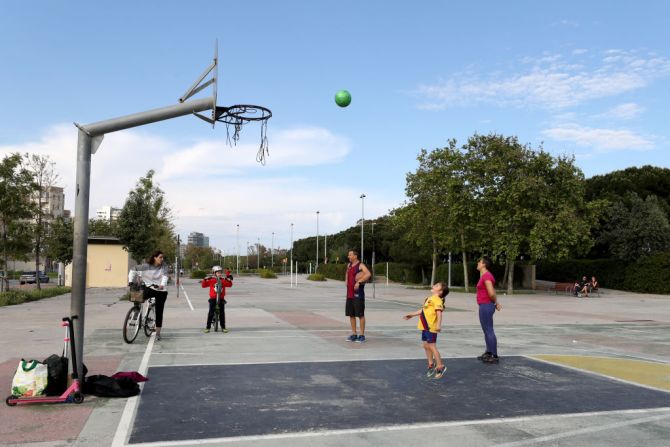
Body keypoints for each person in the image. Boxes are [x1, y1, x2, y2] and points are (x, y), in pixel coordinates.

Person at [403, 282, 449, 379]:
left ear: (440, 292)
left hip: (431, 327)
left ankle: (440, 366)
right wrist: (412, 315)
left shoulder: (437, 300)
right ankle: (431, 364)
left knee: (432, 346)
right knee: (425, 345)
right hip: (424, 327)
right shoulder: (429, 299)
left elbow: (439, 314)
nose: (433, 286)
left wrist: (438, 325)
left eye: (436, 286)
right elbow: (423, 311)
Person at [128, 251, 169, 341]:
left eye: (163, 257)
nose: (162, 259)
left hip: (160, 290)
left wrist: (162, 285)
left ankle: (158, 333)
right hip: (149, 287)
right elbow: (132, 270)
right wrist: (130, 281)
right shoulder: (145, 266)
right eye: (160, 257)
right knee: (136, 295)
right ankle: (136, 311)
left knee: (159, 311)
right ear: (155, 257)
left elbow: (165, 276)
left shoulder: (164, 266)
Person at [476, 256, 502, 364]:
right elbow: (492, 291)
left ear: (484, 264)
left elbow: (491, 292)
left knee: (489, 330)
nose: (478, 263)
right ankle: (489, 352)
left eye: (479, 261)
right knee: (486, 330)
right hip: (484, 305)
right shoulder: (484, 276)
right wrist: (496, 302)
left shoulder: (486, 276)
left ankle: (494, 355)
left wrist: (495, 302)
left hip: (486, 305)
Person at [344, 250, 371, 343]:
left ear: (355, 256)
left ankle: (362, 335)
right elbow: (347, 273)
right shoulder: (349, 265)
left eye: (350, 255)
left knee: (360, 315)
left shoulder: (361, 265)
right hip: (349, 294)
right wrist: (346, 280)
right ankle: (354, 334)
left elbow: (368, 274)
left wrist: (359, 282)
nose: (348, 256)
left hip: (358, 294)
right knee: (351, 315)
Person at [201, 265, 233, 333]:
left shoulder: (223, 280)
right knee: (211, 313)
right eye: (218, 272)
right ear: (214, 273)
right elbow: (203, 285)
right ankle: (208, 327)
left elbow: (230, 285)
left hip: (221, 298)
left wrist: (229, 279)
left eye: (220, 272)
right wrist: (205, 279)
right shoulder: (211, 280)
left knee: (222, 313)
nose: (219, 274)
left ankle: (223, 327)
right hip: (213, 298)